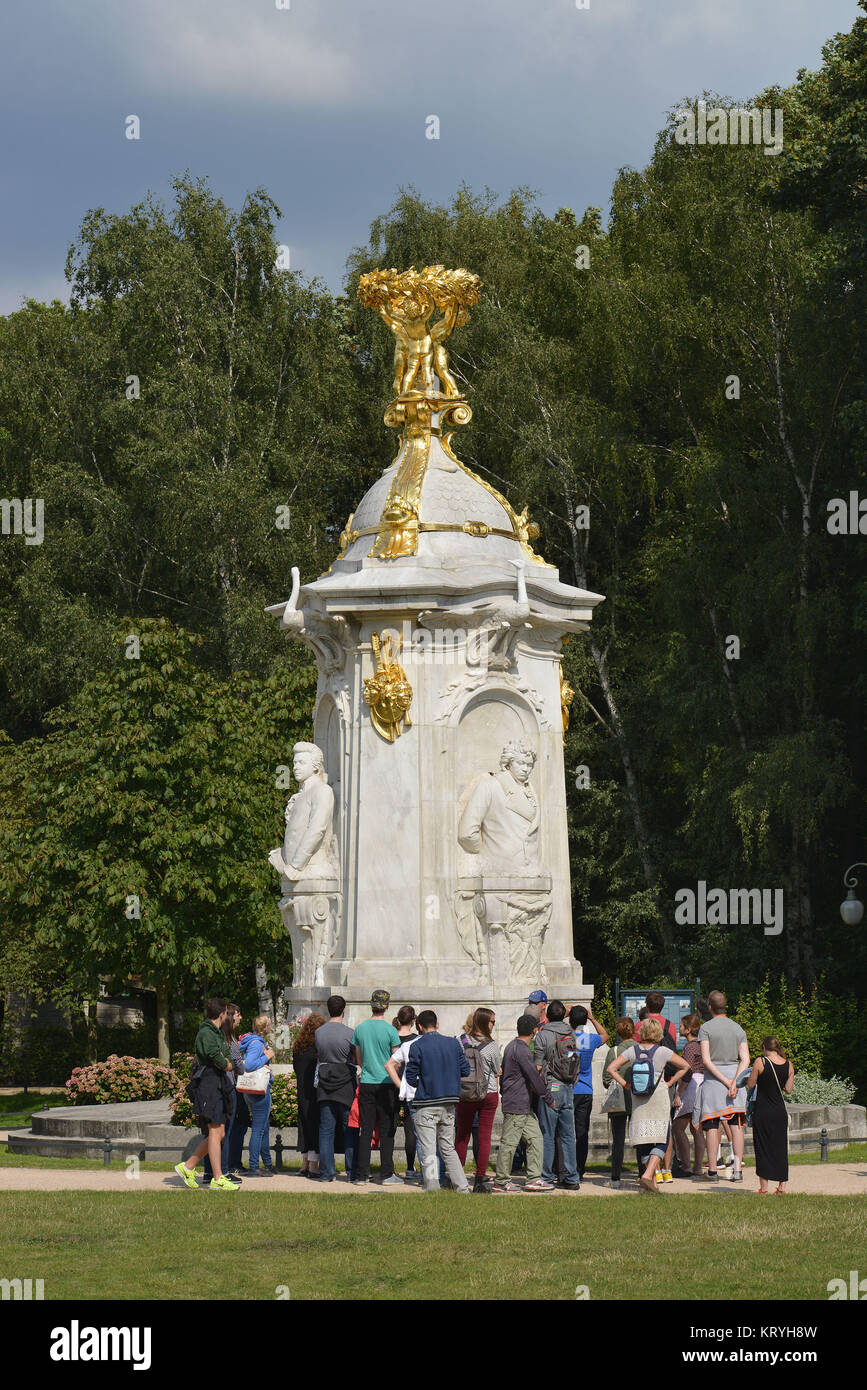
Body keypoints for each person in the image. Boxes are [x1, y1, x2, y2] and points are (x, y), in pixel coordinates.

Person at [607, 1017, 690, 1194]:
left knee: (644, 1138)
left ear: (641, 1032)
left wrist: (625, 1084)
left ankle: (652, 1182)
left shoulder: (632, 1051)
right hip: (659, 1096)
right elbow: (685, 1066)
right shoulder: (663, 1051)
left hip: (638, 1097)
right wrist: (670, 1083)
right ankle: (649, 1174)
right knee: (662, 1137)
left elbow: (611, 1068)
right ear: (658, 1033)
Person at [403, 1010, 471, 1193]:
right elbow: (465, 1070)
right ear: (437, 1024)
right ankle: (462, 1187)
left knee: (429, 1149)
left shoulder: (417, 1046)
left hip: (426, 1102)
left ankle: (433, 1187)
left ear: (419, 1027)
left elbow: (410, 1078)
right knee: (448, 1148)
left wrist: (424, 1082)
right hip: (449, 1103)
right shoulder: (453, 1044)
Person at [175, 998, 239, 1191]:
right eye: (227, 1012)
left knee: (218, 1133)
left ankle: (188, 1166)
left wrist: (226, 1061)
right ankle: (217, 1177)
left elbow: (227, 1056)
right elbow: (219, 1058)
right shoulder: (206, 1033)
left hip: (218, 1084)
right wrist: (226, 1062)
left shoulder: (216, 1032)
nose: (227, 1016)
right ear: (221, 1014)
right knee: (214, 1131)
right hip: (210, 1085)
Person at [492, 1014, 555, 1193]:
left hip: (522, 1105)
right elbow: (534, 1077)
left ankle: (534, 1179)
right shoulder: (522, 1050)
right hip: (516, 1104)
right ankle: (501, 1182)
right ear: (535, 1030)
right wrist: (548, 1099)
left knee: (536, 1139)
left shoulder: (513, 1046)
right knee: (509, 1144)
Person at [697, 990, 750, 1182]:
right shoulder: (738, 1028)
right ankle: (737, 1170)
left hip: (714, 1081)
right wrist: (734, 1081)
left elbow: (706, 1060)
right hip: (735, 1079)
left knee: (712, 1125)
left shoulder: (705, 1028)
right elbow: (745, 1059)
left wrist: (725, 1081)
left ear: (710, 1007)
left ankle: (712, 1170)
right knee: (736, 1124)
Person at [352, 989, 402, 1186]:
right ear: (387, 1006)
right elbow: (396, 1060)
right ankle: (387, 1173)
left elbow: (358, 1057)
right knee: (387, 1129)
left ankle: (361, 1174)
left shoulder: (360, 1028)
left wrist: (368, 1069)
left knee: (366, 1129)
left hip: (367, 1082)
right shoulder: (391, 1030)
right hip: (387, 1084)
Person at [533, 1000, 580, 1189]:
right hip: (568, 1087)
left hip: (550, 1086)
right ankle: (571, 1177)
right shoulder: (571, 1034)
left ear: (548, 1016)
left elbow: (537, 1066)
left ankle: (546, 1176)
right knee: (568, 1134)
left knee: (548, 1133)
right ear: (563, 1015)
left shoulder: (543, 1035)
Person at [454, 1006, 501, 1192]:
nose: (493, 1025)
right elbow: (497, 1069)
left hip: (465, 1093)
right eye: (492, 1021)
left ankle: (458, 1177)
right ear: (484, 1022)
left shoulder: (460, 1041)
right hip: (487, 1093)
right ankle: (480, 1179)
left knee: (462, 1136)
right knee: (484, 1138)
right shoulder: (491, 1046)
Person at [314, 995, 358, 1182]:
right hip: (345, 1081)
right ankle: (351, 1171)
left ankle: (326, 1172)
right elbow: (355, 1058)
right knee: (349, 1128)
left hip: (325, 1080)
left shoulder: (319, 1032)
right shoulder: (350, 1033)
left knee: (326, 1130)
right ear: (343, 1010)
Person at [203, 1001, 245, 1185]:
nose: (240, 1017)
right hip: (225, 1087)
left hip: (217, 1086)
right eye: (237, 1014)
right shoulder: (225, 1039)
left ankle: (209, 1172)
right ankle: (223, 1171)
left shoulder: (217, 1036)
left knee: (213, 1133)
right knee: (222, 1133)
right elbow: (237, 1065)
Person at [747, 1037, 793, 1194]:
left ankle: (764, 1188)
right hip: (780, 1112)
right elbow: (788, 1089)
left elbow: (751, 1084)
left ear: (764, 1047)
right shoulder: (789, 1064)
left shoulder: (761, 1062)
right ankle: (782, 1187)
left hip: (763, 1110)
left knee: (762, 1147)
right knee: (781, 1148)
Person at [569, 1004, 609, 1180]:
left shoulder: (565, 1037)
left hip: (568, 1088)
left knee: (564, 1131)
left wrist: (565, 1015)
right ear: (585, 1021)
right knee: (582, 1132)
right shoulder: (590, 1039)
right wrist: (592, 1018)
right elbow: (605, 1035)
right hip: (585, 1089)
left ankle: (564, 1167)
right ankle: (579, 1168)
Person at [240, 1014, 276, 1177]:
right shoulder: (256, 1044)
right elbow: (250, 1065)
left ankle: (267, 1163)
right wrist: (266, 1057)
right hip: (259, 1091)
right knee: (258, 1130)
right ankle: (254, 1166)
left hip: (252, 1090)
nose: (271, 1027)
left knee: (263, 1128)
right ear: (265, 1028)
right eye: (269, 1024)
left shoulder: (252, 1041)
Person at [602, 1017, 634, 1188]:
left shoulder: (614, 1052)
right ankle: (644, 1174)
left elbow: (606, 1079)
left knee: (618, 1140)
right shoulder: (640, 1049)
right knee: (640, 1138)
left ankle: (615, 1178)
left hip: (619, 1100)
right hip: (637, 1099)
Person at [389, 1005, 420, 1181]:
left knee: (391, 1127)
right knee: (410, 1129)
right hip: (411, 1086)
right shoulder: (416, 1040)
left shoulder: (392, 1038)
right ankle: (409, 1167)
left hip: (392, 1084)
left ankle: (390, 1166)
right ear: (413, 1021)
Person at [292, 1012, 326, 1176]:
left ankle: (304, 1163)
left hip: (302, 1091)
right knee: (314, 1126)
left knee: (304, 1125)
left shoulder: (298, 1047)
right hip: (314, 1092)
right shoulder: (316, 1050)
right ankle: (313, 1164)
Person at [672, 1014, 705, 1176]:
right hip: (701, 1084)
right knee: (696, 1128)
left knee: (678, 1127)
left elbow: (687, 1071)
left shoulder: (690, 1047)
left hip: (691, 1086)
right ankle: (698, 1167)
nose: (679, 1028)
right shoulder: (701, 1045)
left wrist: (678, 1093)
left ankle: (686, 1164)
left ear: (688, 1029)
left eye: (681, 1026)